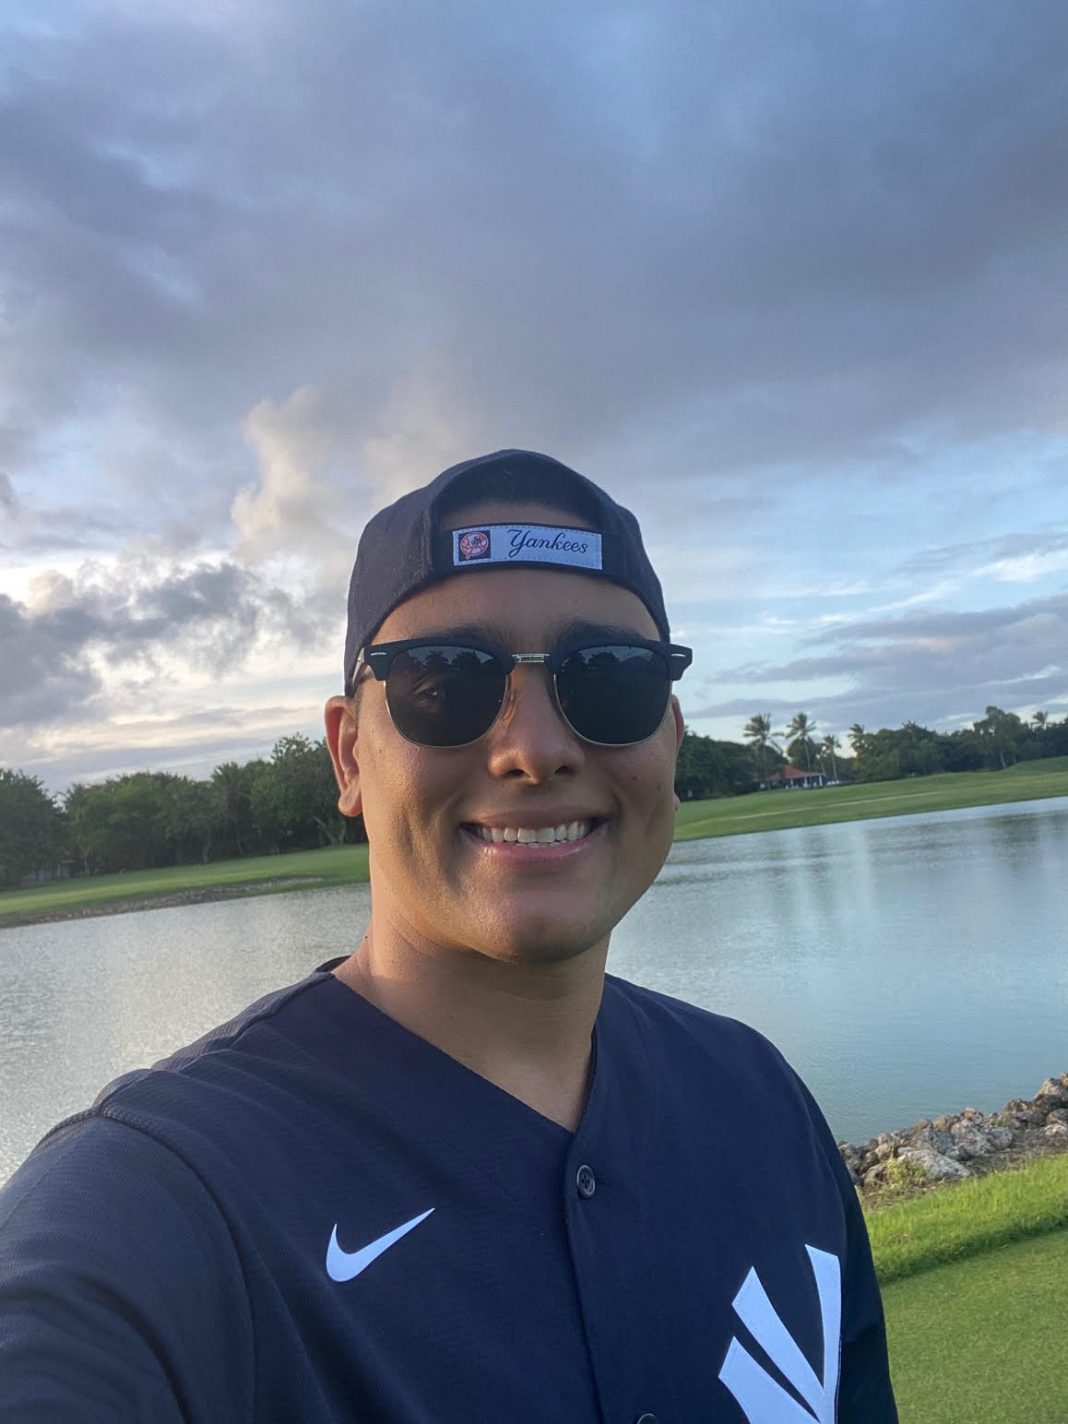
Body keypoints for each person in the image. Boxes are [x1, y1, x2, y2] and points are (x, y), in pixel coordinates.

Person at [0, 449, 898, 1422]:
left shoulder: (758, 1101)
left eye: (610, 679)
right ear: (350, 754)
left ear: (671, 738)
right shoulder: (155, 1204)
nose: (536, 749)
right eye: (447, 682)